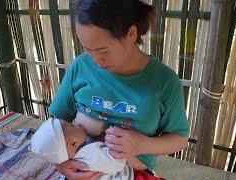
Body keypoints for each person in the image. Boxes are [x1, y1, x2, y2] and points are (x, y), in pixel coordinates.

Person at [48, 0, 190, 179]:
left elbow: (179, 139)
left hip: (134, 171)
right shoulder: (80, 66)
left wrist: (141, 144)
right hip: (82, 167)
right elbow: (56, 124)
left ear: (131, 34)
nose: (96, 61)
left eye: (103, 51)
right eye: (87, 49)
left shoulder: (164, 82)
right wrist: (61, 165)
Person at [30, 118, 134, 179]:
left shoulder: (68, 158)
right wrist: (115, 139)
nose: (77, 124)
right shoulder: (91, 153)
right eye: (72, 125)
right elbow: (117, 164)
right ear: (72, 144)